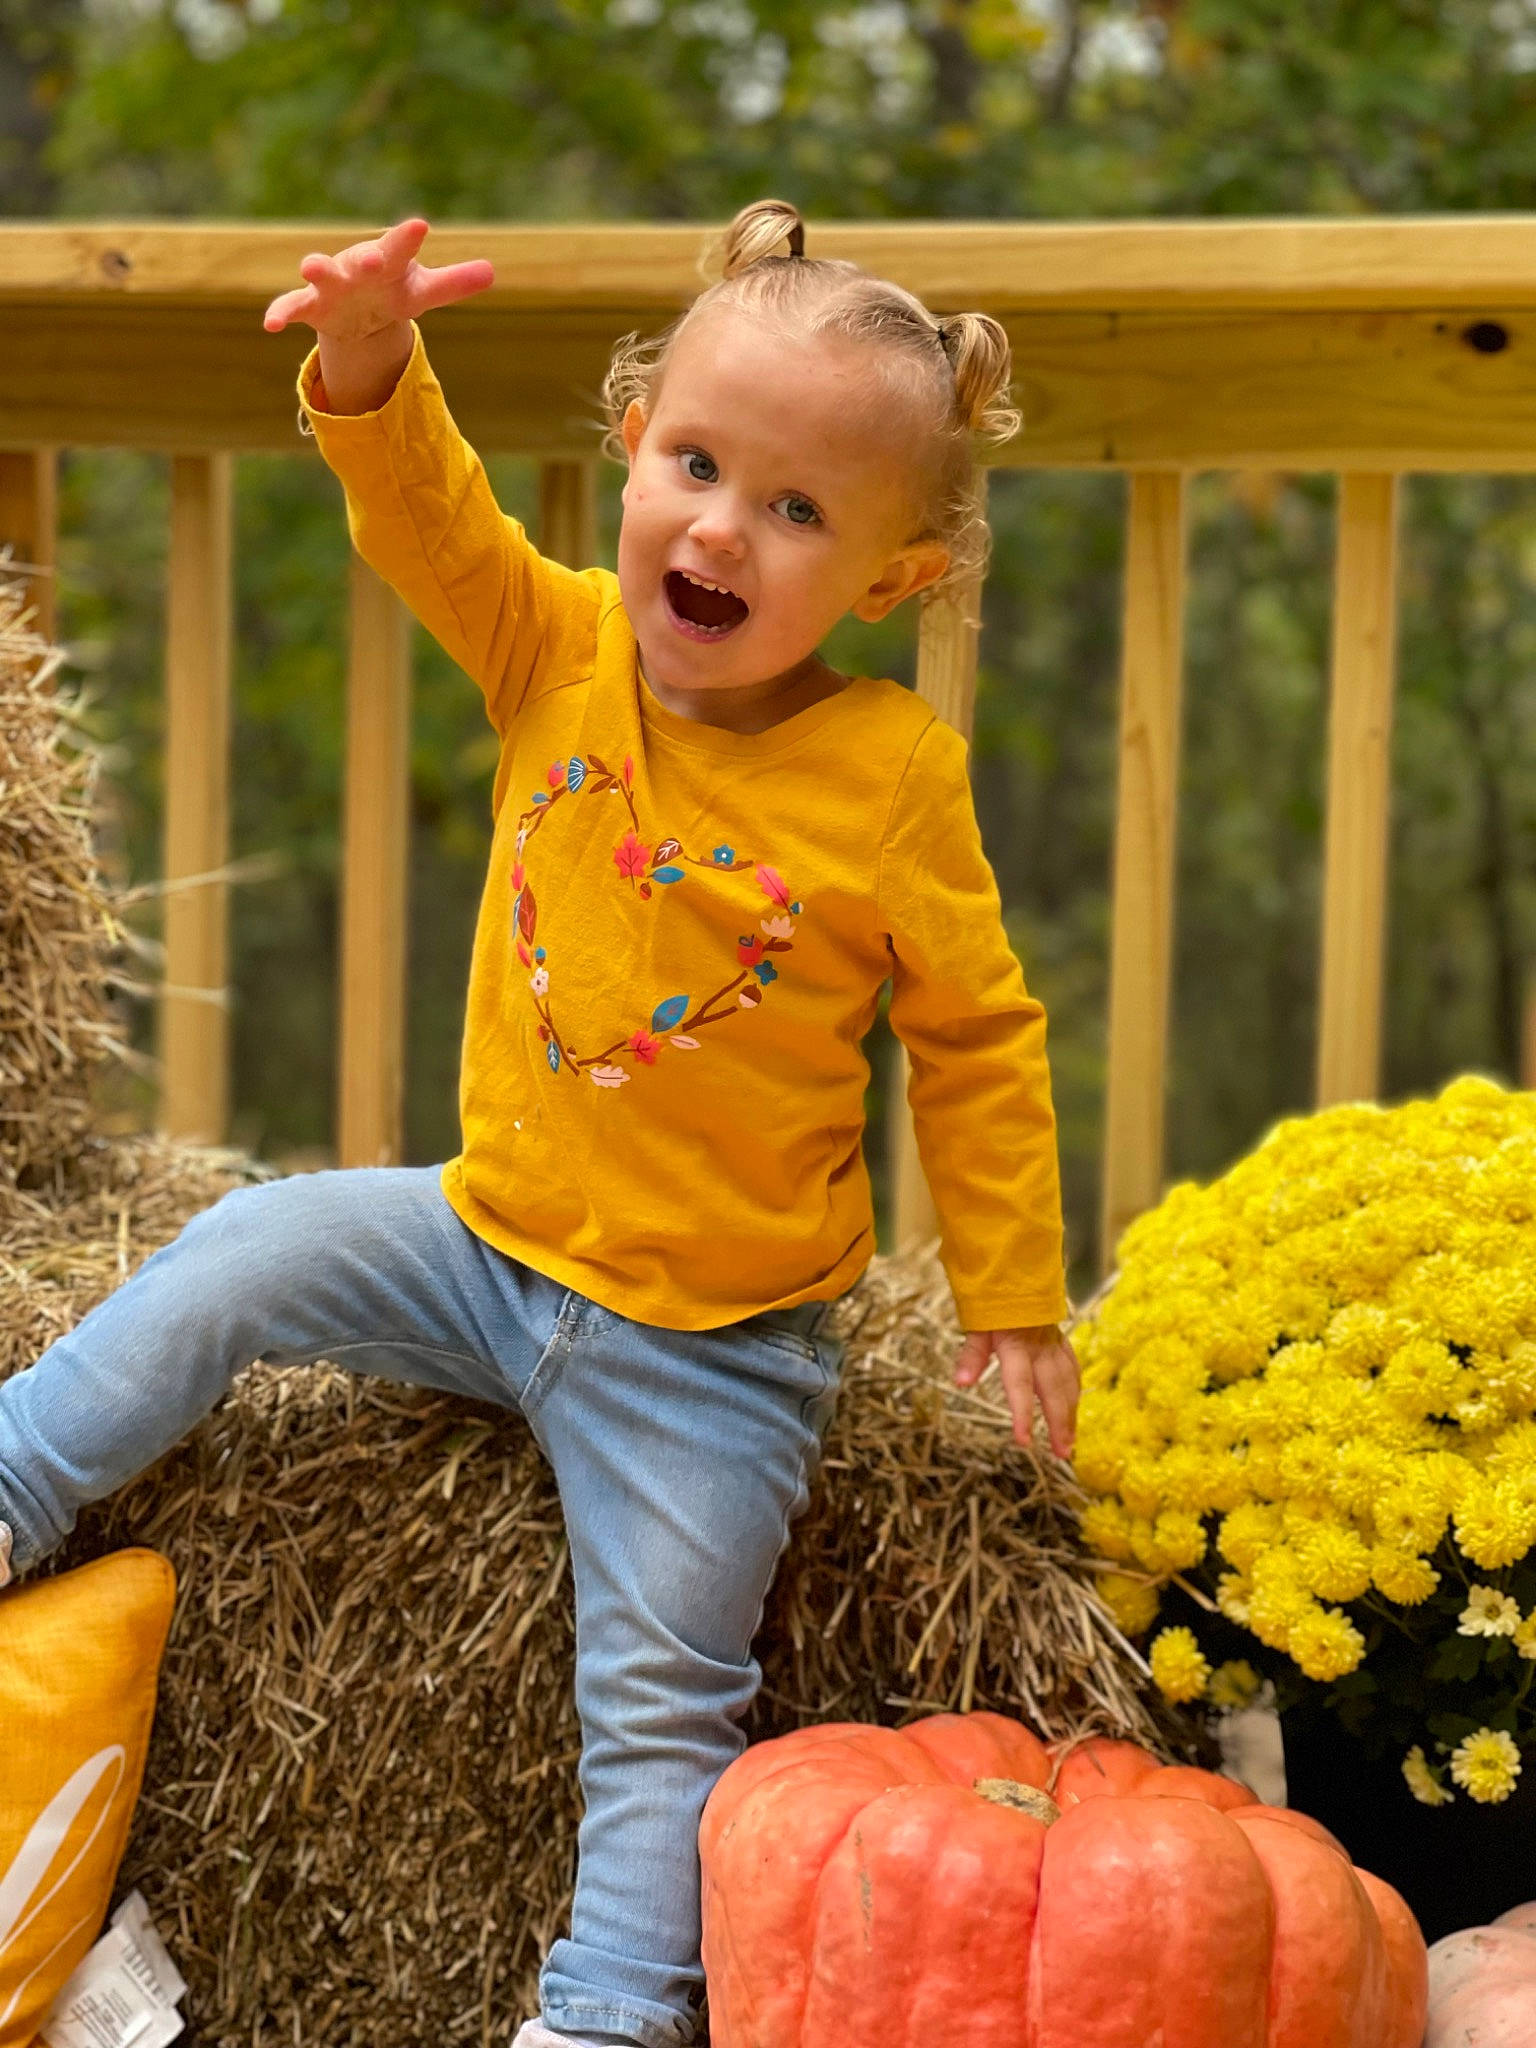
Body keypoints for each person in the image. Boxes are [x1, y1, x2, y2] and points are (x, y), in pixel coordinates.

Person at [0, 202, 1080, 2048]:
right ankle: (18, 1473)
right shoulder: (555, 646)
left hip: (710, 1355)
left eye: (803, 511)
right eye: (699, 464)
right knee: (233, 1257)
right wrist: (365, 367)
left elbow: (978, 1039)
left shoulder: (893, 776)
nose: (725, 526)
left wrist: (1017, 1301)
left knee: (662, 1686)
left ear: (895, 579)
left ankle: (605, 2008)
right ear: (636, 445)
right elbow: (429, 522)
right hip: (479, 1241)